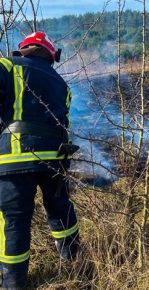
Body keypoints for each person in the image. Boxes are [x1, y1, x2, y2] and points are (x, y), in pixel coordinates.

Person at [0, 31, 79, 289]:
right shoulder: (62, 84)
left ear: (24, 50)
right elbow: (63, 123)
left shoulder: (8, 65)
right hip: (54, 160)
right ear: (50, 55)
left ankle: (13, 284)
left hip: (14, 157)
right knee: (59, 206)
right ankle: (73, 260)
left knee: (14, 221)